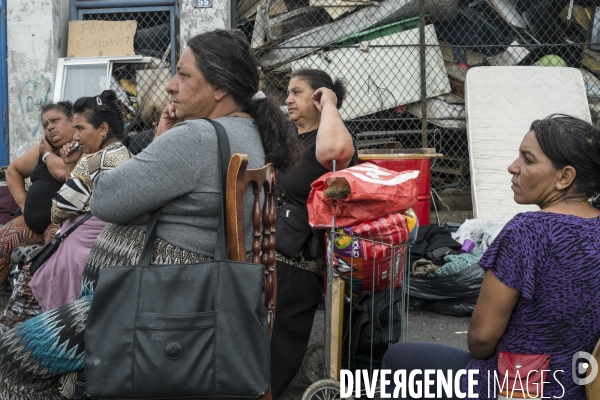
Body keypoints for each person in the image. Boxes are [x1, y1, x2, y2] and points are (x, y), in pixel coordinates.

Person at [0, 29, 299, 399]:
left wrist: (161, 140)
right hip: (185, 298)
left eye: (183, 75)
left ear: (219, 88)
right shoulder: (247, 131)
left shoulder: (196, 137)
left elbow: (106, 200)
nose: (171, 86)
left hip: (150, 307)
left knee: (11, 360)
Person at [382, 114, 600, 400]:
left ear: (564, 177)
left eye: (528, 159)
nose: (513, 167)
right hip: (577, 387)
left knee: (399, 360)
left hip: (513, 388)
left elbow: (481, 341)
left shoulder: (528, 231)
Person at [272, 69, 355, 397]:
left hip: (297, 260)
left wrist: (331, 104)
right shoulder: (294, 139)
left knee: (275, 335)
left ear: (318, 98)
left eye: (297, 92)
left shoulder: (329, 140)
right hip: (273, 245)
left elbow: (334, 152)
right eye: (287, 93)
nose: (288, 99)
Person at [0, 102, 75, 287]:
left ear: (72, 121)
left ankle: (45, 308)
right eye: (45, 124)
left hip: (61, 222)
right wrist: (24, 203)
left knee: (49, 256)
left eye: (55, 120)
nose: (50, 127)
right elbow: (13, 171)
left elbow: (62, 172)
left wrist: (48, 154)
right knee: (3, 241)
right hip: (31, 223)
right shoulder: (43, 148)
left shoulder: (81, 147)